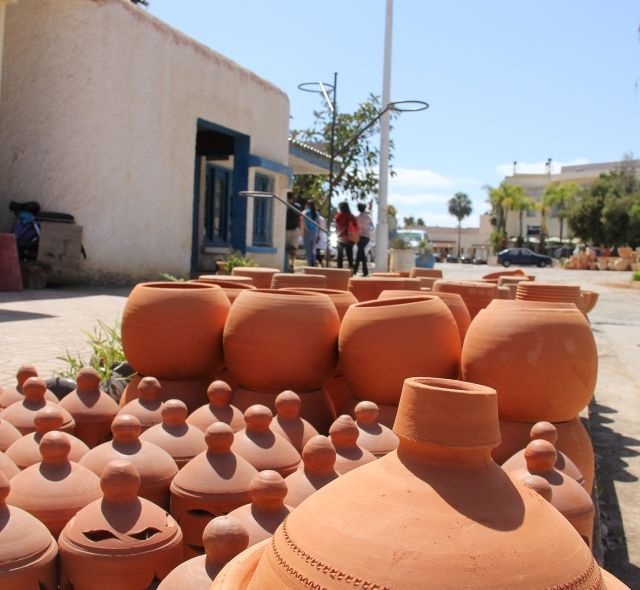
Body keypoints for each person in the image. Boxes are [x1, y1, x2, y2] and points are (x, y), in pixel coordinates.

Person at [335, 201, 357, 270]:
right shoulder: (351, 216)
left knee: (340, 254)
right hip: (350, 238)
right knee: (349, 255)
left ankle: (339, 269)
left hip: (340, 237)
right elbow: (355, 226)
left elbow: (337, 225)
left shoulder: (339, 215)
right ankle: (351, 269)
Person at [353, 202, 374, 276]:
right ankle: (360, 271)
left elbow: (354, 228)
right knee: (360, 253)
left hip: (359, 237)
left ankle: (357, 271)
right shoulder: (368, 217)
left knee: (360, 253)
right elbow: (372, 227)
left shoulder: (356, 218)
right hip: (366, 237)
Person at [285, 192, 302, 272]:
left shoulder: (285, 204)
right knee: (291, 248)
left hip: (289, 229)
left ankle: (291, 265)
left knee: (291, 248)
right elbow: (300, 218)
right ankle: (290, 264)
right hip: (294, 229)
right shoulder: (297, 206)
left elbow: (300, 218)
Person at [302, 200, 319, 267]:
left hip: (307, 232)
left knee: (308, 249)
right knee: (313, 249)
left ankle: (309, 264)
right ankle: (314, 262)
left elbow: (304, 222)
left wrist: (306, 229)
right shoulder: (316, 213)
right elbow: (317, 223)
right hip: (314, 232)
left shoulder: (306, 212)